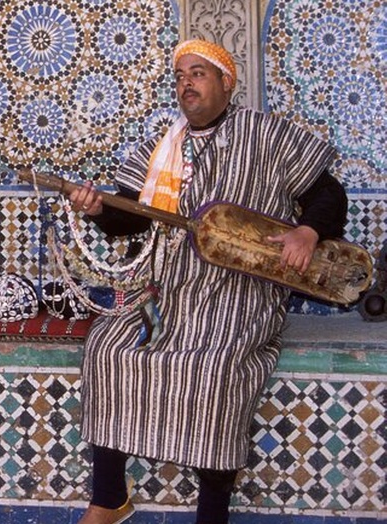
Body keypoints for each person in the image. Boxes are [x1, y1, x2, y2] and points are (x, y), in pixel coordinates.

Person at [68, 40, 348, 524]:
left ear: (226, 82)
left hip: (239, 294)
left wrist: (308, 230)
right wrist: (97, 210)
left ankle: (212, 513)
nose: (186, 85)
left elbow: (330, 194)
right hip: (168, 291)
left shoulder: (266, 133)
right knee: (107, 349)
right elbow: (131, 217)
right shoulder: (164, 142)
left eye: (198, 74)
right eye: (179, 77)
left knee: (216, 371)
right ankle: (110, 498)